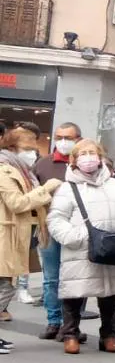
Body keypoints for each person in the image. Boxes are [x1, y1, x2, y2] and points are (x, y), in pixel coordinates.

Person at [45, 140, 115, 355]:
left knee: (109, 294)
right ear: (75, 160)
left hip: (113, 248)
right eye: (83, 153)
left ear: (100, 157)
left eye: (92, 152)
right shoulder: (67, 188)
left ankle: (109, 335)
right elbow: (56, 219)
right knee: (74, 292)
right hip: (80, 250)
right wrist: (75, 237)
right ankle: (70, 334)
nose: (88, 157)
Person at [0, 127, 62, 337]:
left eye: (34, 149)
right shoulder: (4, 169)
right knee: (5, 287)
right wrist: (47, 189)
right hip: (5, 235)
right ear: (11, 148)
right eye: (27, 149)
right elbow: (17, 203)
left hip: (17, 236)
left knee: (8, 285)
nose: (32, 154)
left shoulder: (22, 171)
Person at [19, 122, 82, 331]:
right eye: (59, 137)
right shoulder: (43, 165)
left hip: (78, 230)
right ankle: (54, 321)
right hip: (49, 228)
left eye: (68, 137)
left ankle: (72, 324)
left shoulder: (86, 162)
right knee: (51, 278)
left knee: (78, 277)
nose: (63, 142)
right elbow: (30, 196)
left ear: (78, 139)